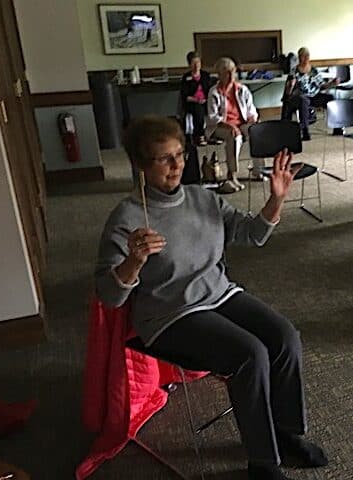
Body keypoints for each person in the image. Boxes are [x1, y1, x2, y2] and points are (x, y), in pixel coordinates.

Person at [95, 115, 328, 480]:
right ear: (141, 165)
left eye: (180, 155)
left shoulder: (202, 198)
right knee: (249, 353)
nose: (177, 165)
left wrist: (276, 200)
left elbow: (252, 234)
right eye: (164, 159)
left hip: (217, 293)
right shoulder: (126, 218)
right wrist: (134, 261)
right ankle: (263, 462)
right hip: (169, 314)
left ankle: (286, 434)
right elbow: (109, 295)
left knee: (285, 336)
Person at [206, 57, 259, 194]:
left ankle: (258, 171)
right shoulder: (214, 92)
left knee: (257, 132)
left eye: (232, 72)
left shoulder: (242, 89)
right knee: (234, 137)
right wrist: (229, 126)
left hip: (241, 123)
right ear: (219, 75)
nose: (231, 76)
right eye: (226, 73)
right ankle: (232, 174)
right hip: (219, 127)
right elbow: (212, 117)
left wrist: (252, 118)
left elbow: (251, 109)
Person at [281, 47, 340, 141]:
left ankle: (338, 127)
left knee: (331, 98)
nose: (305, 58)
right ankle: (305, 131)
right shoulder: (294, 71)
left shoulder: (313, 70)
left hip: (314, 96)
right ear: (299, 58)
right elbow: (288, 93)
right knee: (303, 100)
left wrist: (332, 83)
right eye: (303, 56)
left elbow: (322, 86)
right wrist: (291, 85)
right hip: (300, 97)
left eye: (307, 56)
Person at [180, 51, 212, 146]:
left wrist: (207, 99)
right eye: (194, 63)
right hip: (192, 102)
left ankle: (212, 133)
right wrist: (197, 100)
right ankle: (199, 135)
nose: (196, 65)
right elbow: (185, 96)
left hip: (206, 101)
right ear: (189, 64)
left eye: (198, 62)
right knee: (199, 110)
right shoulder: (186, 77)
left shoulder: (205, 75)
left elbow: (210, 90)